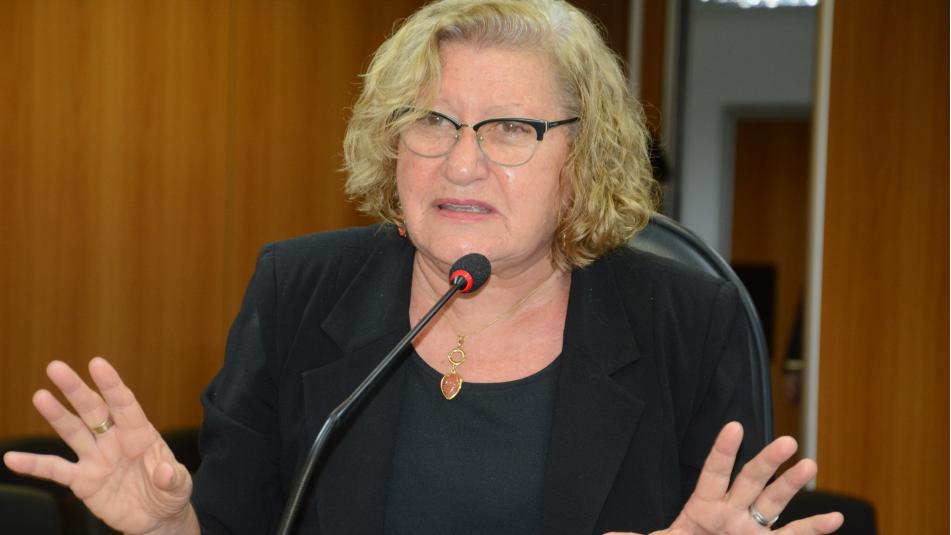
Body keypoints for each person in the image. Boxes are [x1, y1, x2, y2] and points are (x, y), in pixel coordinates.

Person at [2, 1, 844, 533]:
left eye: (510, 128)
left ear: (584, 159)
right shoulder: (298, 291)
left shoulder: (688, 322)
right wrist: (169, 526)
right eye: (432, 121)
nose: (461, 163)